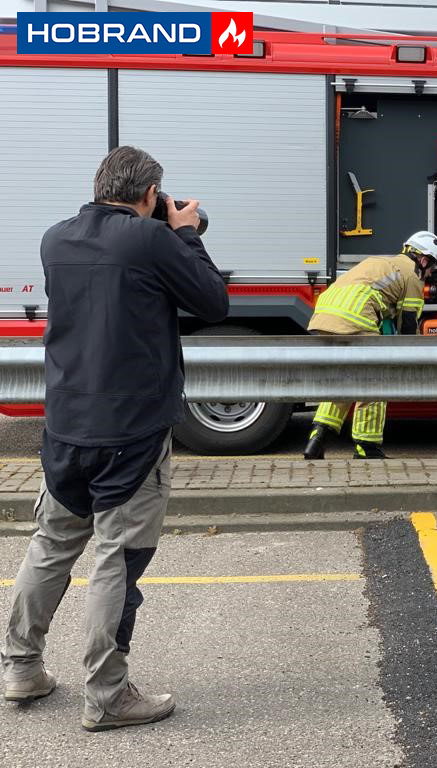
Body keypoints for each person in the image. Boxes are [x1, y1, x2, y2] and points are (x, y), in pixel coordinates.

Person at [1, 146, 228, 731]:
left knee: (50, 544)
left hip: (67, 424)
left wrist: (161, 231)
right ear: (150, 195)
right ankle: (107, 694)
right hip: (132, 431)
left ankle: (20, 668)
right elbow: (211, 302)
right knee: (117, 559)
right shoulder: (151, 241)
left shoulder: (57, 238)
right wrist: (186, 234)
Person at [302, 231, 437, 461]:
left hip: (324, 316)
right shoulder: (412, 275)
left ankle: (317, 438)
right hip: (355, 317)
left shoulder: (382, 262)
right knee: (375, 380)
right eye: (432, 268)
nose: (430, 273)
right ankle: (367, 447)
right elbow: (408, 324)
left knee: (345, 379)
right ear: (423, 259)